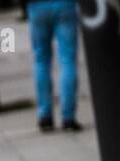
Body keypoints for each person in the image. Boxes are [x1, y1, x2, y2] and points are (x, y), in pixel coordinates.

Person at [24, 0, 79, 131]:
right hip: (65, 5)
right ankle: (68, 117)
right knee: (68, 60)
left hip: (37, 6)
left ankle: (45, 115)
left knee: (41, 60)